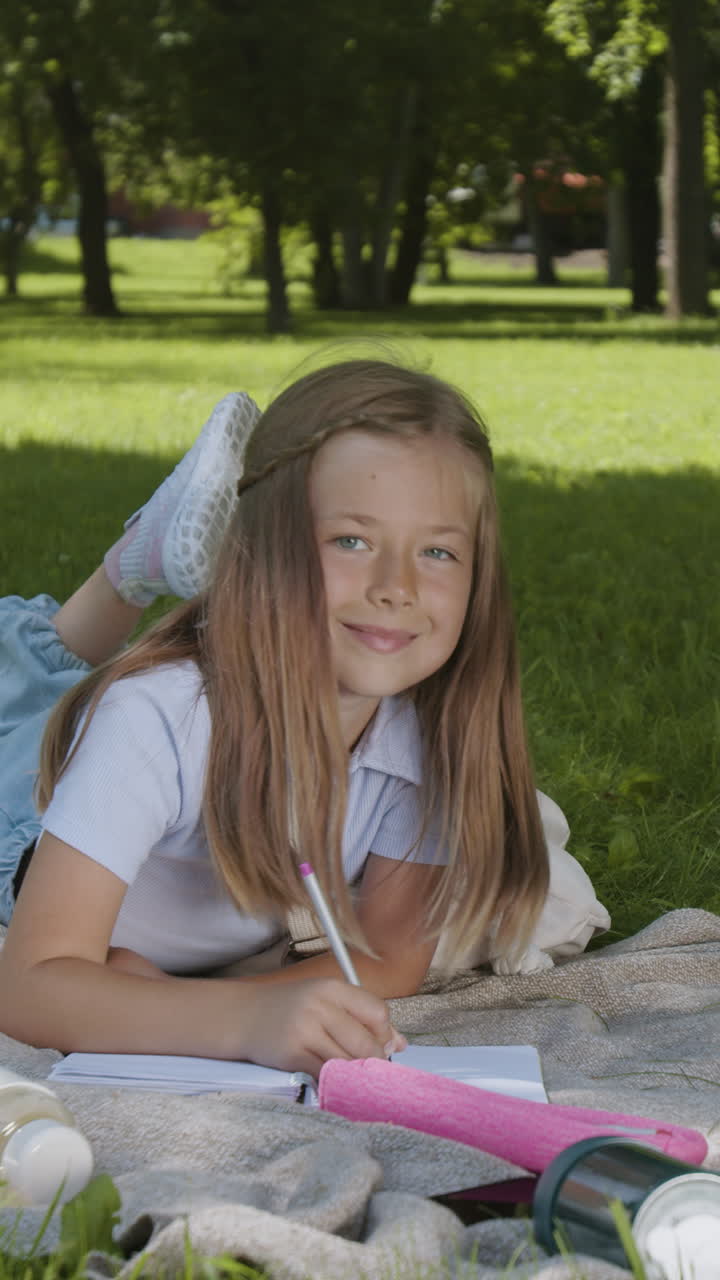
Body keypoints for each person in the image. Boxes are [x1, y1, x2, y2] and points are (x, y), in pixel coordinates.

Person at [0, 359, 606, 1076]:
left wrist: (195, 1001)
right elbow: (27, 987)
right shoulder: (155, 722)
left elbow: (381, 960)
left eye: (438, 551)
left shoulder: (435, 737)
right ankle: (133, 563)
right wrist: (238, 1020)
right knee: (26, 687)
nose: (396, 588)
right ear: (265, 548)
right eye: (352, 540)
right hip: (22, 823)